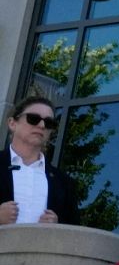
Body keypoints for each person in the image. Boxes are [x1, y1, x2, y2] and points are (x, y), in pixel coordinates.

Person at [1, 95, 76, 225]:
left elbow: (75, 230)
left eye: (48, 123)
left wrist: (58, 225)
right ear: (12, 123)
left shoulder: (63, 182)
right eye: (33, 119)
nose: (41, 125)